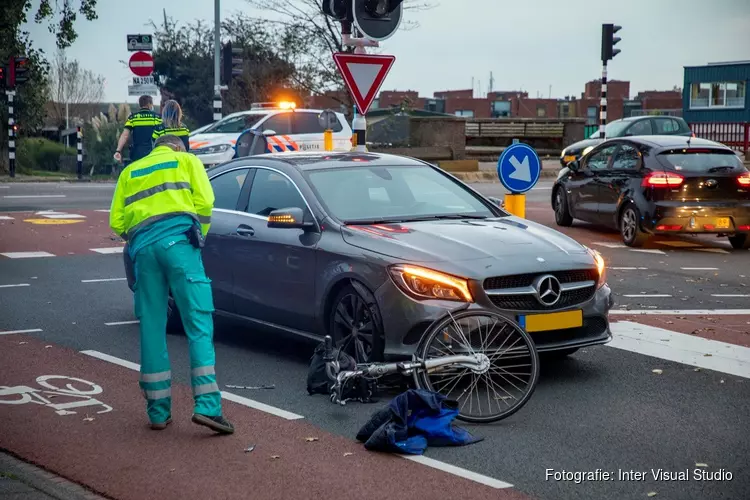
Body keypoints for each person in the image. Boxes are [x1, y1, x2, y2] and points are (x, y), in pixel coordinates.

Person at [109, 134, 234, 434]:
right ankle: (207, 407)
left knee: (152, 328)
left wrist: (139, 240)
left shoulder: (130, 172)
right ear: (178, 147)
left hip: (143, 252)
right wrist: (197, 234)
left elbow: (116, 221)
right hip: (180, 244)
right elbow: (205, 203)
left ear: (155, 149)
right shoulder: (187, 161)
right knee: (198, 322)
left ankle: (157, 411)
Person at [114, 95, 162, 164]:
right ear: (149, 104)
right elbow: (163, 135)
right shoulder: (157, 117)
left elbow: (125, 135)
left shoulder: (133, 118)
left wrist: (118, 151)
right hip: (153, 153)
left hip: (137, 154)